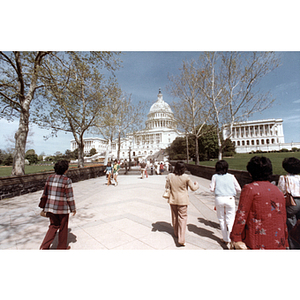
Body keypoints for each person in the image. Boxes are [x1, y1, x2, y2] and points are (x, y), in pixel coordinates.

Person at [230, 156, 289, 250]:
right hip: (278, 240)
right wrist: (285, 242)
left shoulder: (250, 189)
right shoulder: (278, 190)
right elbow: (283, 218)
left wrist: (235, 237)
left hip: (257, 240)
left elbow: (241, 215)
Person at [40, 160, 76, 250]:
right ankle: (61, 248)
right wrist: (73, 208)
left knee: (53, 226)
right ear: (65, 170)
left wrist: (44, 206)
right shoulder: (67, 180)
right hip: (62, 209)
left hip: (50, 207)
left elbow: (45, 193)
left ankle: (44, 247)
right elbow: (69, 197)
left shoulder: (49, 178)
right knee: (63, 227)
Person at [165, 161, 199, 246]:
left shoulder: (170, 176)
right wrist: (197, 184)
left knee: (175, 217)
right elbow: (193, 188)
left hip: (173, 200)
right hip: (183, 201)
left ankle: (176, 233)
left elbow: (167, 187)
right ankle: (181, 238)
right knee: (182, 218)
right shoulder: (186, 177)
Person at [210, 160, 241, 247]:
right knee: (230, 219)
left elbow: (212, 189)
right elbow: (239, 188)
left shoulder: (215, 176)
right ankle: (232, 238)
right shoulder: (231, 176)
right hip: (230, 198)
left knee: (221, 219)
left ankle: (225, 238)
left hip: (219, 198)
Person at [278, 157, 300, 249]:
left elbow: (281, 191)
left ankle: (294, 247)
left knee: (291, 224)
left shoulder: (284, 178)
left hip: (292, 202)